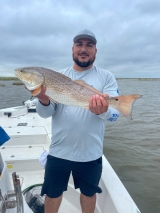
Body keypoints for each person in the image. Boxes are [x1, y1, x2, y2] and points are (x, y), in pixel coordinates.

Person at [35, 29, 119, 213]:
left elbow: (115, 114)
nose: (84, 49)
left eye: (89, 45)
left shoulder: (106, 77)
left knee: (89, 194)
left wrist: (102, 111)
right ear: (72, 49)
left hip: (90, 153)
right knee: (52, 193)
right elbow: (45, 113)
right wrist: (43, 99)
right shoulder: (56, 77)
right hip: (59, 151)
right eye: (79, 44)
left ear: (95, 50)